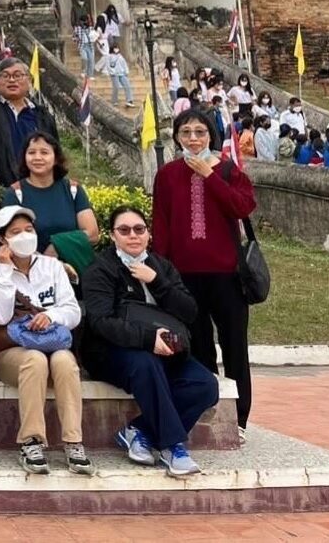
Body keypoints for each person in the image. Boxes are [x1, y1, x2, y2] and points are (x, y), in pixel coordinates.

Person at [83, 206, 220, 477]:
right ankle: (172, 447)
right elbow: (101, 322)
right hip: (113, 352)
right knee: (146, 364)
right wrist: (148, 340)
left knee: (205, 385)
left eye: (139, 229)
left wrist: (157, 282)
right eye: (124, 230)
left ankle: (139, 431)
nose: (133, 235)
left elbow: (190, 312)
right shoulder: (101, 269)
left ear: (148, 234)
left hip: (166, 350)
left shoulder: (161, 266)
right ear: (113, 235)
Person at [153, 108, 258, 438]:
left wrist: (209, 176)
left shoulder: (227, 170)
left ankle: (239, 417)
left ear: (211, 135)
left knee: (235, 347)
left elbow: (241, 207)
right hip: (185, 276)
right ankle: (207, 408)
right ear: (177, 137)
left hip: (227, 275)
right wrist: (162, 273)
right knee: (198, 347)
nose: (193, 139)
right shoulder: (167, 175)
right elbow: (161, 224)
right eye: (186, 133)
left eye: (200, 132)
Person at [0, 206, 92, 476]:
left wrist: (50, 316)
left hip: (52, 345)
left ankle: (73, 442)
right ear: (2, 239)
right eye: (15, 232)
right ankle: (31, 441)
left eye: (29, 230)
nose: (24, 236)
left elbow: (73, 311)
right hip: (14, 351)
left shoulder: (52, 266)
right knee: (34, 360)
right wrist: (6, 272)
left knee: (65, 360)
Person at [2, 131, 98, 262]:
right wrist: (47, 264)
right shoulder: (15, 194)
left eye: (44, 152)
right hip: (32, 267)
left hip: (76, 267)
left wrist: (57, 245)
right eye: (31, 152)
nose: (37, 157)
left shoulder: (73, 190)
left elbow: (92, 234)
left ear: (56, 158)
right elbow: (12, 239)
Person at [0, 56, 60, 187]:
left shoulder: (42, 115)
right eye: (5, 76)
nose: (12, 80)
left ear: (29, 80)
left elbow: (55, 153)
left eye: (18, 75)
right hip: (4, 187)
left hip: (39, 187)